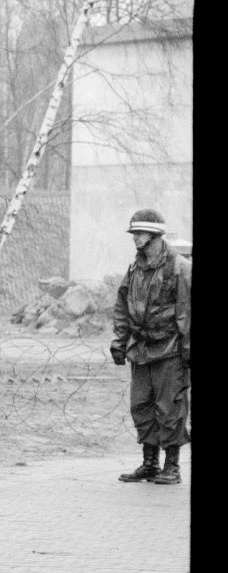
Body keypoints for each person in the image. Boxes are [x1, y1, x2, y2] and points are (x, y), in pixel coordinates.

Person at [111, 208, 191, 485]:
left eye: (141, 233)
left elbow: (187, 312)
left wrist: (188, 350)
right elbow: (122, 306)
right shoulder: (134, 268)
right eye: (134, 233)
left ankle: (172, 466)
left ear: (155, 234)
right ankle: (149, 463)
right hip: (141, 349)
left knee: (170, 408)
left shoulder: (180, 267)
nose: (135, 238)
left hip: (170, 349)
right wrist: (119, 341)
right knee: (141, 406)